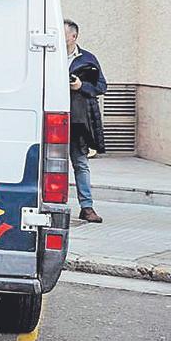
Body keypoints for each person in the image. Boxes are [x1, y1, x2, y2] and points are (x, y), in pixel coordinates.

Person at [66, 19, 107, 223]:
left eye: (63, 33)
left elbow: (101, 86)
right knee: (47, 165)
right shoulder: (47, 55)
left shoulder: (88, 59)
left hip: (76, 121)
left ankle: (87, 207)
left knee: (80, 163)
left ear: (74, 36)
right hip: (49, 118)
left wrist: (81, 85)